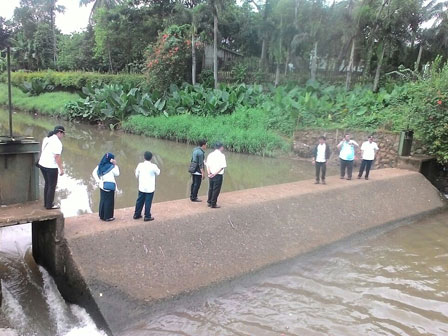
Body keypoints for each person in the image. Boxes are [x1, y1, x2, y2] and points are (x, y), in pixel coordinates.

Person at [38, 125, 65, 210]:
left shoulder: (46, 138)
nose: (63, 136)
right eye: (63, 134)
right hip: (50, 167)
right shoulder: (57, 143)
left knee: (47, 183)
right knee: (52, 186)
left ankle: (46, 203)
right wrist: (61, 169)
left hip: (42, 164)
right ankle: (49, 205)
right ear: (59, 133)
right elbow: (57, 157)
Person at [133, 151, 160, 221]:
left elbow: (136, 175)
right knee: (148, 201)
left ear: (144, 157)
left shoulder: (140, 165)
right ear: (151, 158)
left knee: (139, 200)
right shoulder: (153, 166)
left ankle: (137, 214)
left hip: (142, 187)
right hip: (150, 187)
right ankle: (147, 215)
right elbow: (158, 172)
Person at [92, 153, 119, 222]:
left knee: (103, 200)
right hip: (110, 186)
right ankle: (108, 217)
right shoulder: (112, 167)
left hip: (102, 185)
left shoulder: (100, 166)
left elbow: (94, 173)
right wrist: (115, 164)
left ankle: (102, 215)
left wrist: (98, 181)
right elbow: (117, 174)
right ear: (111, 159)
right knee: (109, 201)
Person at [206, 142, 227, 209]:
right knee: (216, 189)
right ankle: (213, 203)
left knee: (211, 188)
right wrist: (215, 174)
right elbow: (222, 167)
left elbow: (207, 165)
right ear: (220, 147)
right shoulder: (222, 155)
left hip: (211, 174)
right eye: (222, 147)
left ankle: (209, 202)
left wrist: (209, 173)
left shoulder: (210, 154)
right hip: (217, 175)